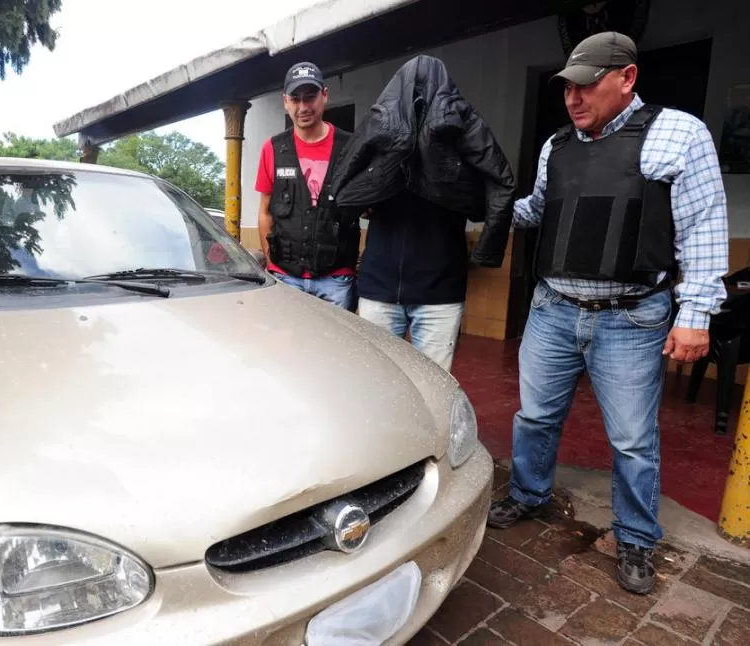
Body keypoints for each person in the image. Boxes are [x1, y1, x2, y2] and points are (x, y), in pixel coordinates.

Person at [486, 32, 730, 595]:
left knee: (631, 439)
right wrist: (486, 203)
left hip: (632, 316)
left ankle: (636, 536)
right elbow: (538, 211)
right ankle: (527, 494)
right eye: (568, 86)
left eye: (588, 84)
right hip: (552, 309)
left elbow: (705, 231)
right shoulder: (557, 145)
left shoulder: (680, 134)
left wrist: (696, 315)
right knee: (535, 419)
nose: (574, 97)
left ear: (627, 78)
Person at [332, 55, 516, 372]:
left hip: (439, 291)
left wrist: (487, 249)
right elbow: (341, 189)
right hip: (381, 286)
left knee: (434, 389)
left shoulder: (461, 124)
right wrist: (389, 170)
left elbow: (499, 183)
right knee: (377, 382)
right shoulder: (380, 122)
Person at [255, 62, 359, 309]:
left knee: (335, 346)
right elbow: (265, 211)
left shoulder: (350, 147)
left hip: (336, 279)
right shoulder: (272, 148)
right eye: (295, 98)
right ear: (285, 101)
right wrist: (272, 266)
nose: (303, 107)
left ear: (324, 95)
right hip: (285, 276)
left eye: (310, 97)